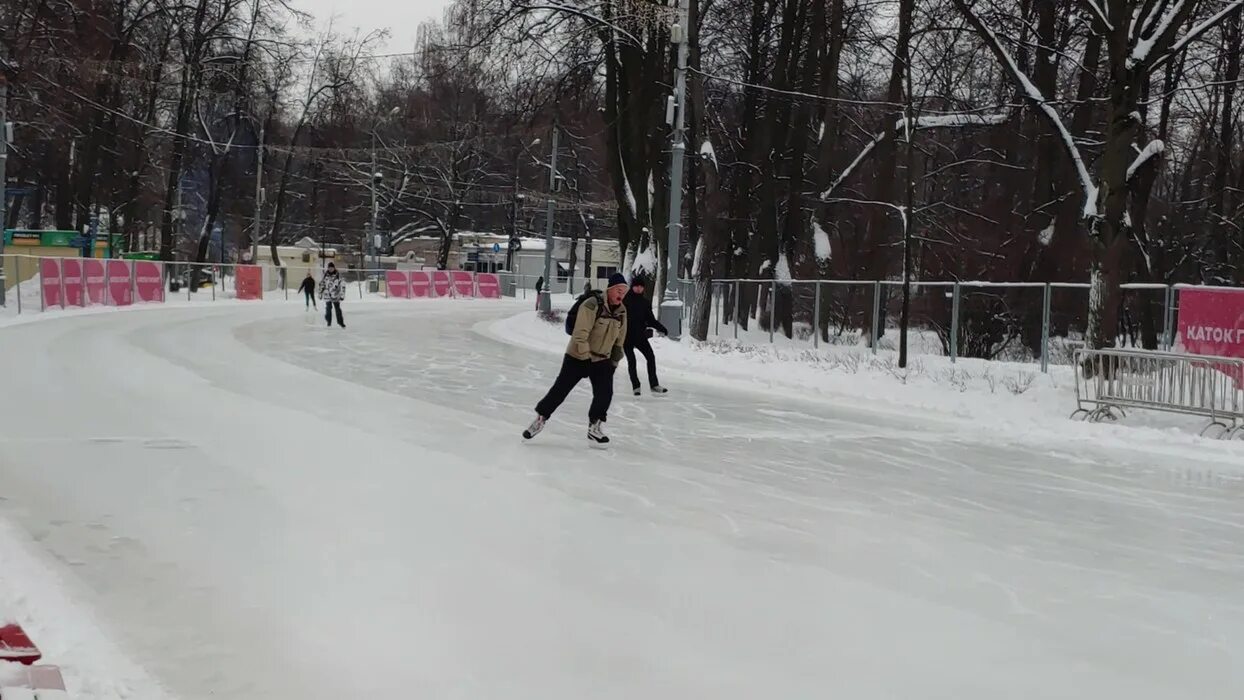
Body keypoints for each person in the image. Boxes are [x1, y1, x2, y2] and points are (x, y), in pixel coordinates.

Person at [523, 273, 629, 445]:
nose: (621, 295)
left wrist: (615, 360)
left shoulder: (622, 311)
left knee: (605, 393)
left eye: (624, 292)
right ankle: (540, 419)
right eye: (618, 290)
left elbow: (620, 339)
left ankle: (594, 426)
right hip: (577, 356)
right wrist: (585, 357)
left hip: (602, 359)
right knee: (560, 390)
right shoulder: (591, 305)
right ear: (609, 289)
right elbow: (580, 334)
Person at [622, 276, 669, 396]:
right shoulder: (625, 301)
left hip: (640, 336)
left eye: (641, 286)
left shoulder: (645, 303)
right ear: (632, 287)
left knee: (650, 357)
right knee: (632, 361)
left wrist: (662, 328)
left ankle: (654, 384)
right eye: (636, 286)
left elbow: (651, 320)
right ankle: (636, 386)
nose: (638, 288)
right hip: (626, 337)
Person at [318, 262, 346, 328]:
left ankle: (340, 322)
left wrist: (342, 295)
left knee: (337, 309)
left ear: (334, 268)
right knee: (328, 309)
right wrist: (320, 293)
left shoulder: (338, 276)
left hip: (335, 295)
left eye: (332, 268)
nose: (330, 269)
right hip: (327, 295)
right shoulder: (325, 275)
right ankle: (328, 321)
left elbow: (343, 285)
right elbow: (322, 284)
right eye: (329, 268)